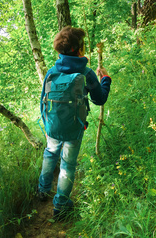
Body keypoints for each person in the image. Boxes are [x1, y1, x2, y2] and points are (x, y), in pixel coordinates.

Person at [37, 26, 112, 220]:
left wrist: (46, 124)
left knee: (50, 153)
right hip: (73, 127)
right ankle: (60, 206)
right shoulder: (86, 73)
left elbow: (42, 100)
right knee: (68, 164)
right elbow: (99, 99)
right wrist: (106, 80)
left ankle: (42, 191)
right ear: (79, 49)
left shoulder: (52, 71)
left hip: (52, 125)